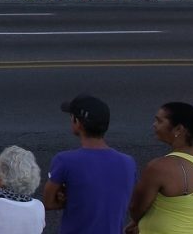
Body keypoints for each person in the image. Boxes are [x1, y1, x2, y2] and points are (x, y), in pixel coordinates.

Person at [43, 94, 137, 233]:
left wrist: (68, 198)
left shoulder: (64, 160)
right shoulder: (128, 162)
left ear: (77, 122)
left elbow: (48, 202)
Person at [129, 102, 193, 232]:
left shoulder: (160, 168)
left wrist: (136, 223)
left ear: (178, 129)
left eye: (159, 121)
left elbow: (137, 208)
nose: (154, 125)